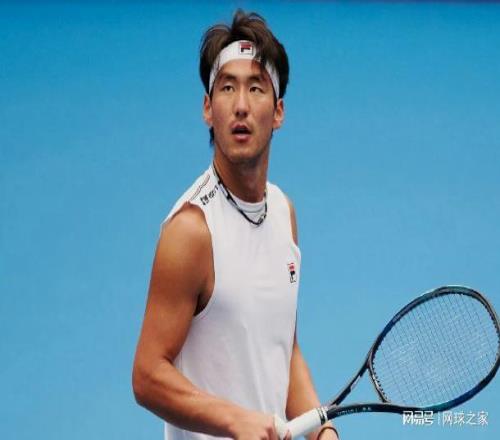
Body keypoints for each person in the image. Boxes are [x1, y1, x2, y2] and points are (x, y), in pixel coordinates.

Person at [132, 10, 339, 440]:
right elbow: (147, 376)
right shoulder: (191, 231)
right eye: (227, 87)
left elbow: (283, 348)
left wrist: (323, 431)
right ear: (208, 109)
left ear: (278, 112)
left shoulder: (283, 213)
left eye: (256, 87)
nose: (241, 105)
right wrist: (235, 419)